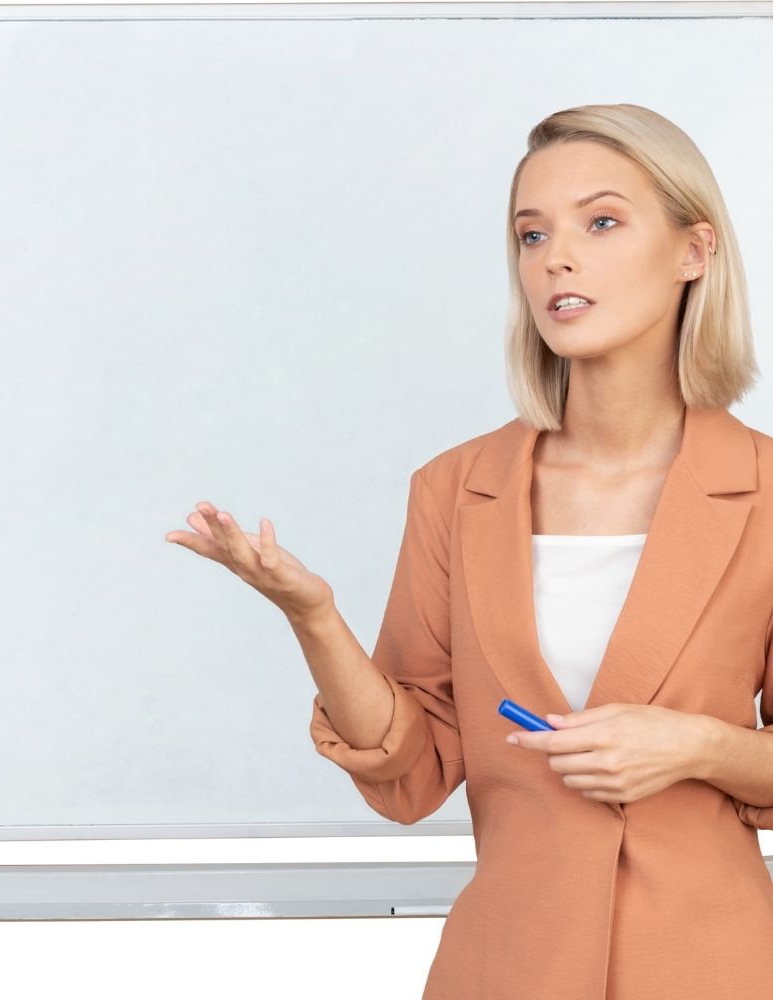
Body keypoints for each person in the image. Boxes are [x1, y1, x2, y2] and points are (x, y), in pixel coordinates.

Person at [164, 103, 773, 998]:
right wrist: (314, 617)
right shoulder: (457, 489)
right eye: (531, 234)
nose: (555, 257)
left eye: (600, 222)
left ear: (695, 251)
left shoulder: (764, 492)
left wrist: (694, 747)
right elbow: (410, 772)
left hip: (708, 966)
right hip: (508, 966)